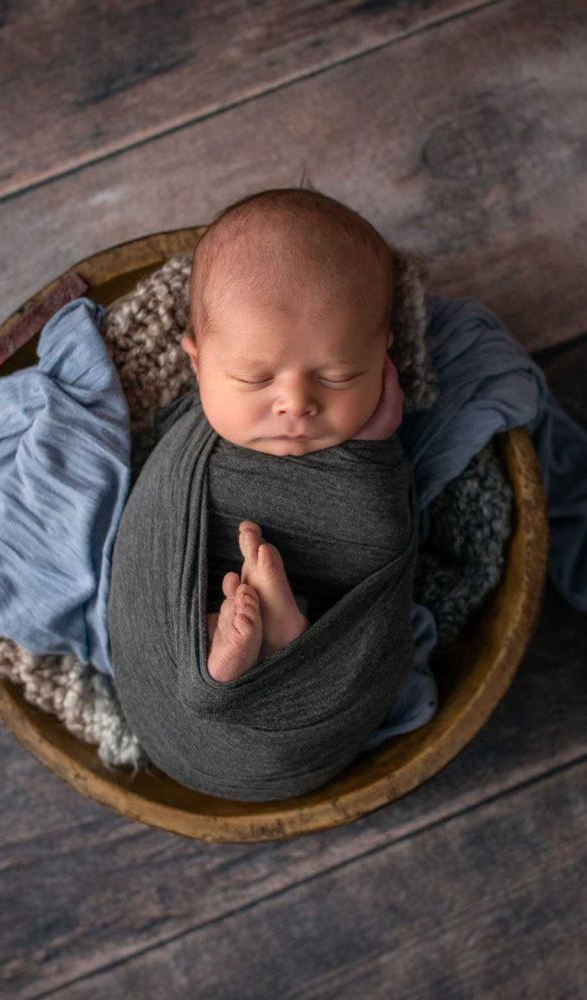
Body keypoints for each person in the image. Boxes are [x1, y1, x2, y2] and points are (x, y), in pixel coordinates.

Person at [175, 186, 410, 683]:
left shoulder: (375, 434)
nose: (297, 404)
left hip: (332, 600)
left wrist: (374, 446)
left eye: (339, 376)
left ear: (383, 359)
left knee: (380, 538)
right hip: (204, 570)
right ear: (198, 365)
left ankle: (281, 636)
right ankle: (223, 643)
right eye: (256, 379)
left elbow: (379, 552)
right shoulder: (181, 444)